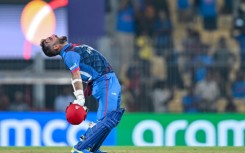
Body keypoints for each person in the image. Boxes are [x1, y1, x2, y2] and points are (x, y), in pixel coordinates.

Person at [40, 34, 125, 153]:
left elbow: (88, 69)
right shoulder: (69, 54)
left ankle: (93, 149)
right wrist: (80, 97)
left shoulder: (70, 49)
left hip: (106, 81)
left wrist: (87, 88)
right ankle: (79, 148)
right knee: (109, 119)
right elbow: (75, 75)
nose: (52, 35)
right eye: (49, 40)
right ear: (56, 47)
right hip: (104, 82)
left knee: (110, 120)